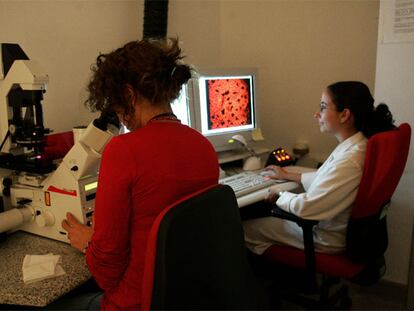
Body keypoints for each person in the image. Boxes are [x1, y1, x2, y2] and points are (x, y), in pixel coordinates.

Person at [61, 38, 219, 310]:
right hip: (185, 299)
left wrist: (89, 242)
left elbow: (106, 274)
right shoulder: (203, 146)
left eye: (117, 105)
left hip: (133, 303)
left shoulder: (123, 150)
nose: (119, 115)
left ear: (130, 95)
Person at [243, 81, 395, 255]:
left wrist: (279, 194)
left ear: (344, 115)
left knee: (244, 228)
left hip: (323, 237)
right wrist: (291, 176)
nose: (317, 114)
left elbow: (306, 208)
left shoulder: (350, 160)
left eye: (323, 107)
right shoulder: (356, 145)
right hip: (329, 227)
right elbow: (330, 178)